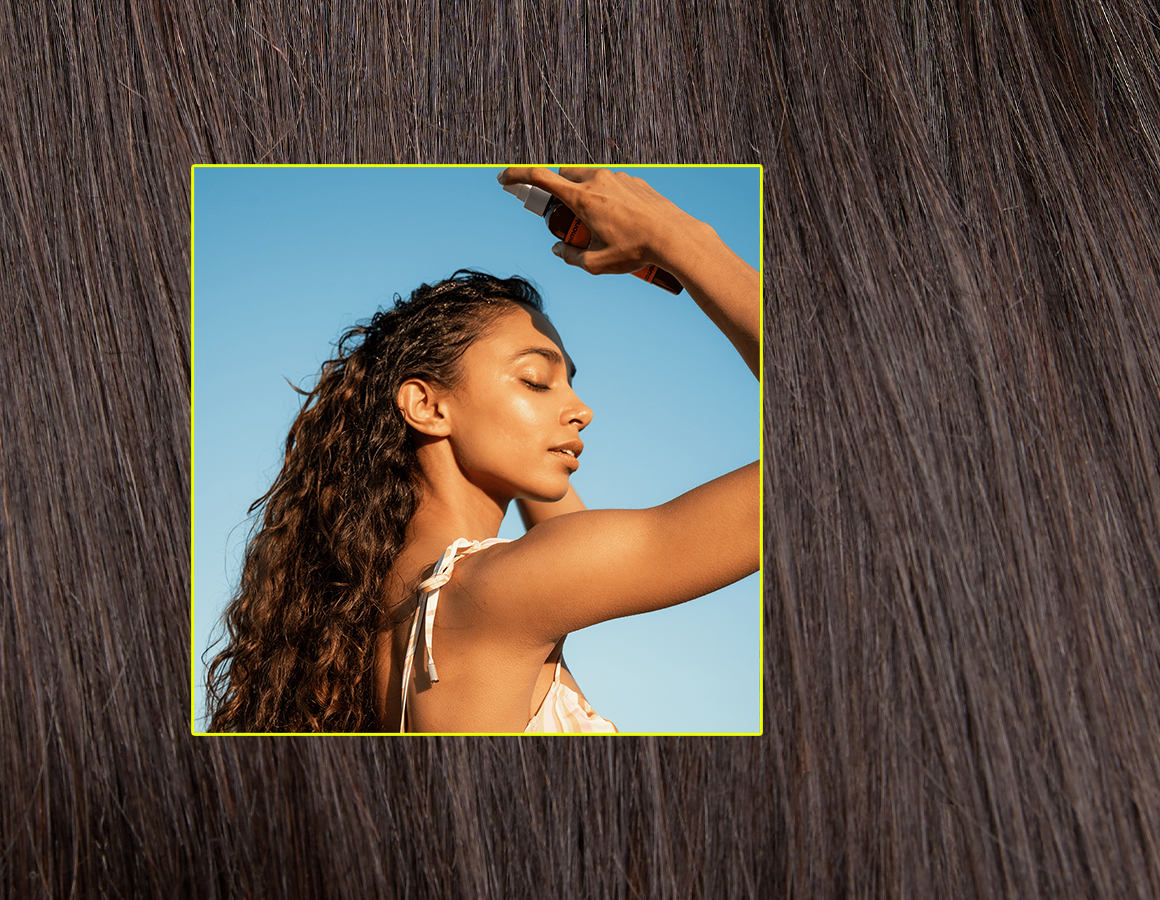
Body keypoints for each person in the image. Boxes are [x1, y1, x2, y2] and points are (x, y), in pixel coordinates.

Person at [206, 167, 760, 733]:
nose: (582, 409)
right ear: (427, 406)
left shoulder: (378, 607)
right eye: (535, 381)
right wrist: (682, 238)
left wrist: (537, 437)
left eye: (569, 382)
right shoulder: (502, 588)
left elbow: (566, 527)